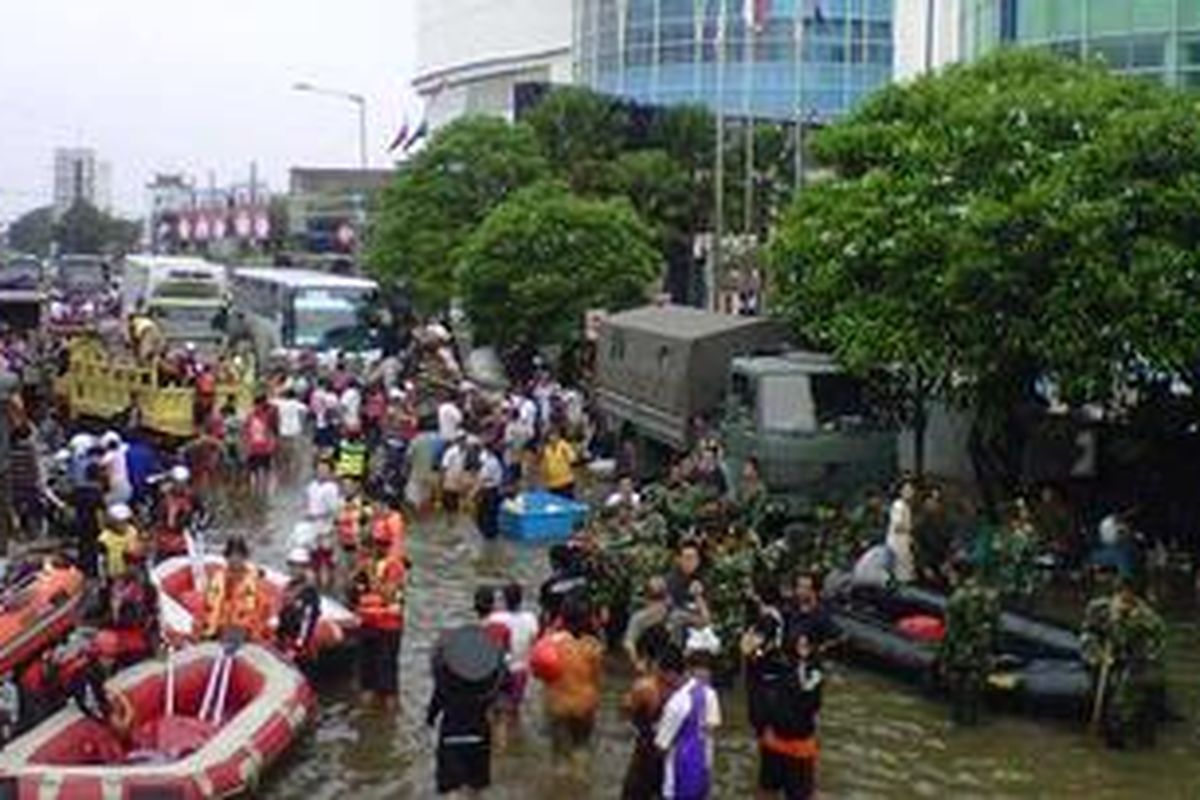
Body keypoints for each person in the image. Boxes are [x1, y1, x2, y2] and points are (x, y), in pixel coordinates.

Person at [427, 602, 506, 798]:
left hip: (451, 737)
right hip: (479, 737)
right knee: (475, 788)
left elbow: (434, 707)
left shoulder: (446, 682)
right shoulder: (487, 683)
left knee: (451, 790)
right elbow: (498, 709)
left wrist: (430, 719)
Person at [1080, 577, 1167, 749]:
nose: (1124, 603)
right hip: (1108, 657)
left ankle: (1132, 740)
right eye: (1121, 597)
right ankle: (1109, 733)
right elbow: (1088, 634)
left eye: (1129, 600)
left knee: (1128, 706)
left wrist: (1123, 661)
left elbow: (1152, 652)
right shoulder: (1098, 608)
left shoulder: (1150, 621)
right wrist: (1099, 655)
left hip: (1140, 663)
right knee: (1104, 697)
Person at [756, 634, 824, 800]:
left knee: (799, 794)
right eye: (799, 645)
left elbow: (810, 702)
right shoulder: (781, 666)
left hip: (798, 747)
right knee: (767, 790)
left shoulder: (814, 673)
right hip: (773, 741)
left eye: (806, 645)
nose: (802, 649)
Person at [543, 595, 605, 772]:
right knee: (581, 748)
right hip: (585, 705)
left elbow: (540, 670)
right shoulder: (594, 646)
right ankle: (581, 784)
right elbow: (596, 679)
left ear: (562, 618)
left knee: (560, 757)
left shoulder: (552, 643)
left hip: (560, 705)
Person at [350, 521, 407, 708]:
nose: (377, 547)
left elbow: (388, 594)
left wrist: (370, 573)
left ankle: (390, 720)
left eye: (382, 543)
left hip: (388, 627)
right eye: (375, 542)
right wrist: (356, 574)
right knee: (366, 676)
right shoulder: (366, 563)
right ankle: (367, 718)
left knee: (387, 677)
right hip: (367, 624)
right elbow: (352, 592)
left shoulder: (394, 565)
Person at [655, 641, 721, 800]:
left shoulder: (676, 703)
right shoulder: (709, 693)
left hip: (678, 777)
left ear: (669, 673)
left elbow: (661, 747)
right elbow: (711, 728)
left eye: (660, 674)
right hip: (703, 772)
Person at [940, 559, 999, 726]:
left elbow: (950, 633)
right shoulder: (990, 595)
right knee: (977, 693)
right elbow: (996, 627)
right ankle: (976, 723)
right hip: (983, 654)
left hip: (963, 654)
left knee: (958, 697)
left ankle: (958, 726)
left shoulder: (957, 599)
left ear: (958, 574)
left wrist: (943, 659)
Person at [622, 628, 674, 800]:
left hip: (646, 754)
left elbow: (625, 711)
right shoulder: (679, 682)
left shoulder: (645, 686)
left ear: (646, 655)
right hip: (670, 755)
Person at [489, 582, 539, 734]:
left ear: (504, 600)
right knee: (513, 710)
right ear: (521, 600)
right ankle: (513, 742)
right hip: (520, 671)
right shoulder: (531, 618)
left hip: (499, 671)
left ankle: (499, 748)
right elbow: (536, 643)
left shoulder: (495, 618)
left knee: (495, 712)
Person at [203, 537, 267, 643]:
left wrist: (252, 632)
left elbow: (261, 611)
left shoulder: (254, 582)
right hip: (217, 630)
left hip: (243, 633)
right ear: (226, 557)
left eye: (239, 556)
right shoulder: (217, 578)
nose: (235, 559)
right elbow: (206, 607)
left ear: (244, 557)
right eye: (231, 555)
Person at [277, 547, 322, 667]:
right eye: (292, 566)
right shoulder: (288, 587)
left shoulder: (310, 592)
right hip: (286, 642)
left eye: (298, 567)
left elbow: (308, 621)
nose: (294, 570)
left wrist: (297, 647)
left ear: (305, 568)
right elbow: (283, 615)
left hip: (300, 649)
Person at [782, 573, 843, 659]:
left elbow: (838, 637)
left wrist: (815, 649)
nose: (801, 591)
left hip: (805, 663)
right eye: (799, 587)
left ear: (814, 591)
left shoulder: (820, 615)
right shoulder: (789, 608)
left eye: (806, 588)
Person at [624, 577, 672, 670]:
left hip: (664, 655)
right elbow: (628, 643)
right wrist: (636, 661)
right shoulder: (638, 618)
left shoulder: (670, 613)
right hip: (644, 651)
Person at [243, 394, 278, 494]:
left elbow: (271, 430)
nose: (257, 407)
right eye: (256, 405)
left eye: (260, 405)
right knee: (254, 471)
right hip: (253, 448)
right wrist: (246, 445)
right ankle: (257, 490)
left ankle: (264, 491)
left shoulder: (267, 416)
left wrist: (272, 444)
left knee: (265, 470)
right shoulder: (250, 416)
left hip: (265, 448)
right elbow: (246, 431)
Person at [98, 503, 141, 583]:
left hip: (130, 572)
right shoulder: (104, 538)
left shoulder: (132, 531)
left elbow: (137, 550)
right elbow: (101, 561)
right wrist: (103, 579)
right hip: (114, 575)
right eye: (119, 522)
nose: (123, 525)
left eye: (125, 521)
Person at [885, 479, 917, 584]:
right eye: (907, 489)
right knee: (900, 573)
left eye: (911, 489)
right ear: (900, 491)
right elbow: (898, 526)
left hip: (903, 543)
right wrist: (910, 528)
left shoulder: (906, 506)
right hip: (897, 544)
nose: (910, 492)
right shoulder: (899, 505)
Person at [271, 388, 308, 478]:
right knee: (295, 454)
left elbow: (270, 401)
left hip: (283, 432)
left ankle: (284, 472)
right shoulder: (299, 405)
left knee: (283, 454)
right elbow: (305, 410)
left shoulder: (281, 403)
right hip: (295, 432)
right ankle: (294, 474)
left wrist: (277, 394)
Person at [473, 441, 504, 541]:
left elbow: (482, 480)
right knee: (490, 516)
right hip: (493, 491)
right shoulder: (494, 461)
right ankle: (490, 536)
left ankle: (488, 537)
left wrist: (473, 492)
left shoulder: (490, 462)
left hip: (489, 491)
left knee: (484, 516)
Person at [539, 428, 578, 499]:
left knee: (568, 500)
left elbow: (573, 458)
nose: (552, 438)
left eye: (554, 435)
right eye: (550, 436)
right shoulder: (546, 449)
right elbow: (544, 464)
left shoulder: (564, 445)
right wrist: (544, 478)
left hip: (565, 481)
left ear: (558, 436)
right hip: (552, 483)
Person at [305, 459, 342, 523]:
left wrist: (316, 516)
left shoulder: (332, 487)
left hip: (323, 523)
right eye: (319, 469)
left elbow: (333, 511)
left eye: (324, 470)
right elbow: (308, 503)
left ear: (330, 472)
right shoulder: (312, 485)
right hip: (309, 521)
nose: (321, 472)